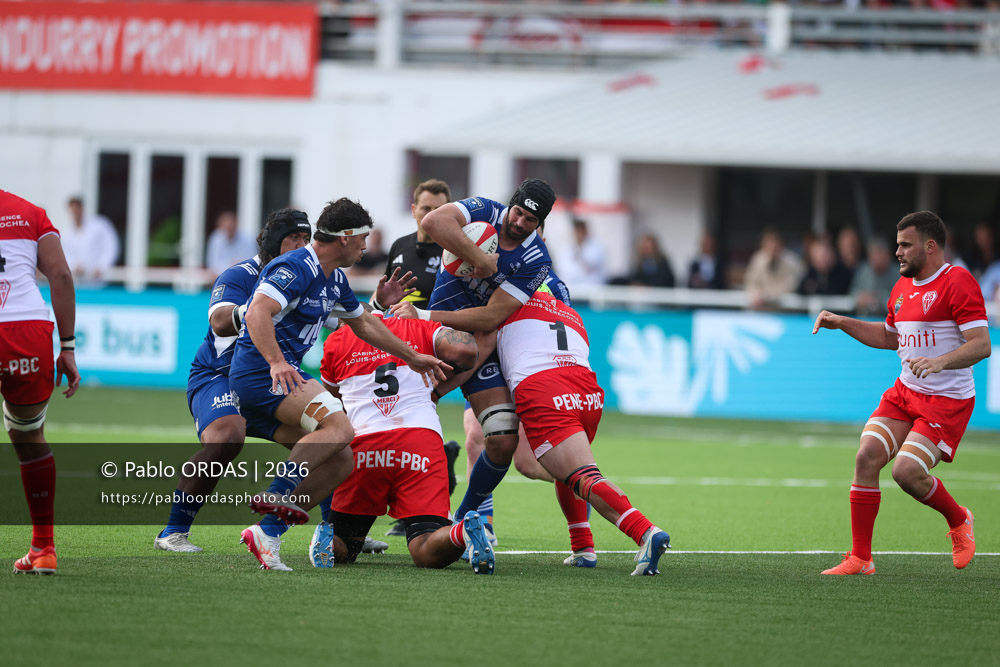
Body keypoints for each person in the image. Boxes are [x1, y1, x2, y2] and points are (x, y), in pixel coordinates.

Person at [229, 197, 451, 571]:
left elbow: (364, 324)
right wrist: (276, 362)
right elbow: (256, 312)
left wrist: (412, 356)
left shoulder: (334, 279)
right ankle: (277, 493)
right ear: (345, 237)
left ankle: (267, 532)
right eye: (362, 239)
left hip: (273, 380)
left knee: (341, 458)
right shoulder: (296, 265)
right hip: (260, 374)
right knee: (341, 427)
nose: (365, 247)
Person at [813, 210, 988, 575]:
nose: (898, 252)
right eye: (897, 245)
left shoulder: (958, 281)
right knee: (866, 457)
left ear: (930, 246)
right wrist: (842, 322)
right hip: (906, 392)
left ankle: (959, 520)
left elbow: (982, 344)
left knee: (906, 473)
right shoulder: (901, 287)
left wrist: (941, 362)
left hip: (946, 401)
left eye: (906, 245)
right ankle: (861, 558)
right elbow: (889, 337)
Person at [389, 178, 559, 547]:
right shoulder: (484, 210)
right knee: (391, 421)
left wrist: (426, 314)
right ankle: (349, 519)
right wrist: (481, 260)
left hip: (476, 342)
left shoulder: (537, 260)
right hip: (431, 336)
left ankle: (465, 518)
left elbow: (491, 317)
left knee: (501, 438)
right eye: (518, 212)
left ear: (540, 223)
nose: (519, 222)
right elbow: (434, 222)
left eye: (531, 220)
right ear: (511, 204)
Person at [155, 208, 313, 553]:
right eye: (293, 239)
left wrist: (378, 305)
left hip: (270, 378)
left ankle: (339, 531)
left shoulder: (307, 276)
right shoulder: (242, 273)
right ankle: (173, 531)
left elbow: (343, 316)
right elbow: (219, 320)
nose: (302, 246)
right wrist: (255, 310)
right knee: (227, 438)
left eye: (306, 239)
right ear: (273, 241)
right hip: (220, 374)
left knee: (328, 442)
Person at [495, 290, 671, 575]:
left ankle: (645, 532)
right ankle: (582, 547)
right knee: (567, 472)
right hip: (587, 392)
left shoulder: (503, 306)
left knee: (581, 476)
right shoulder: (567, 310)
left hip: (547, 390)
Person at [314, 311, 495, 572]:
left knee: (346, 543)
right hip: (419, 441)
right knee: (425, 548)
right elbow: (465, 351)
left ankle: (329, 542)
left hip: (364, 446)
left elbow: (333, 402)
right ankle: (461, 533)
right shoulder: (417, 327)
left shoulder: (337, 339)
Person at [374, 178, 462, 538]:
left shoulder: (454, 251)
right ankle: (441, 462)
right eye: (426, 208)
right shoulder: (399, 246)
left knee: (407, 425)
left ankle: (415, 512)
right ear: (413, 210)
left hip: (430, 346)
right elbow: (387, 296)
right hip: (396, 346)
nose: (430, 215)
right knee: (397, 425)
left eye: (438, 209)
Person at [1, 189, 81, 574]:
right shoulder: (29, 212)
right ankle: (43, 548)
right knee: (29, 436)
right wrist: (67, 347)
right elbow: (61, 275)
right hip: (26, 331)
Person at [61, 196, 120, 285]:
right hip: (79, 283)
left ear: (82, 208)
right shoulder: (68, 234)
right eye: (72, 210)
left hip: (100, 281)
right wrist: (74, 266)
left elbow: (111, 247)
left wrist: (102, 265)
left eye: (76, 209)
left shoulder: (100, 225)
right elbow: (66, 255)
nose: (75, 213)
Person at [744, 227, 804, 309]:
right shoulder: (757, 259)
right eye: (769, 242)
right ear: (763, 244)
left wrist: (766, 296)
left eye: (775, 242)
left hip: (786, 310)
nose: (772, 246)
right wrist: (756, 294)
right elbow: (750, 282)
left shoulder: (792, 261)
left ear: (781, 243)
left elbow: (791, 286)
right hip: (761, 309)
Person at [851, 237, 898, 316]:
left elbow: (901, 299)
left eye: (880, 254)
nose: (877, 259)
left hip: (890, 318)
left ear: (888, 255)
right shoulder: (863, 270)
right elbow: (852, 292)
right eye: (874, 255)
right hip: (864, 317)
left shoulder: (898, 273)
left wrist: (879, 299)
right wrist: (860, 297)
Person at [205, 211, 257, 278]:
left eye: (231, 226)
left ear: (236, 224)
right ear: (220, 226)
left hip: (242, 277)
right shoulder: (216, 238)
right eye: (226, 227)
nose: (229, 229)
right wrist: (233, 265)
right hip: (221, 276)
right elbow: (212, 265)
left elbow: (250, 263)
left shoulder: (248, 239)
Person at [555, 219, 606, 287]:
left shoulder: (596, 246)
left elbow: (593, 263)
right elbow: (562, 267)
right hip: (571, 286)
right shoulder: (567, 247)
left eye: (581, 231)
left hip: (592, 286)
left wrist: (580, 248)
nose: (579, 234)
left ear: (585, 231)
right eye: (577, 231)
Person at [611, 233, 675, 288]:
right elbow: (634, 278)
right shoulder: (640, 262)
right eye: (645, 248)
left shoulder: (662, 262)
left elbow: (663, 281)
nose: (648, 251)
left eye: (650, 248)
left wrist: (646, 286)